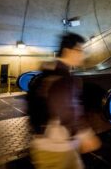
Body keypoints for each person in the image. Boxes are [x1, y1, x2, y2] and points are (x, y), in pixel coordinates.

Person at [29, 33, 101, 169]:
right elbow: (66, 109)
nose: (82, 55)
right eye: (80, 50)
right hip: (57, 148)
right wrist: (85, 134)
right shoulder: (63, 78)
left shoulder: (47, 73)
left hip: (47, 143)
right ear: (68, 51)